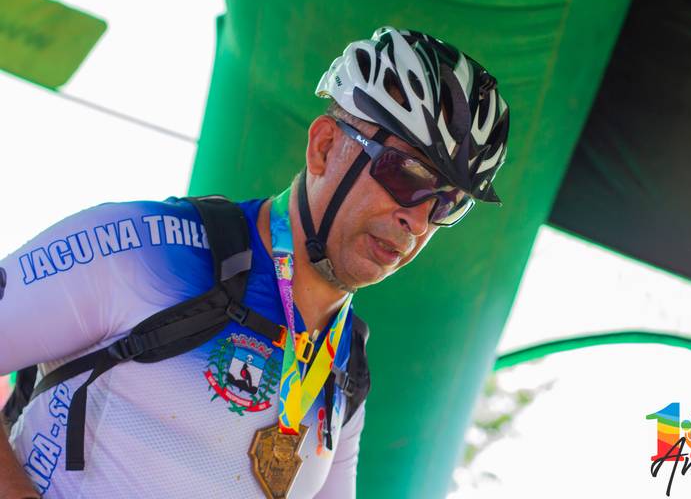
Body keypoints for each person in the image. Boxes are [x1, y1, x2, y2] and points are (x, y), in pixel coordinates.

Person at [0, 26, 509, 498]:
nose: (417, 220)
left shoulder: (344, 365)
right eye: (407, 175)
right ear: (325, 147)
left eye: (448, 204)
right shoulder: (144, 248)